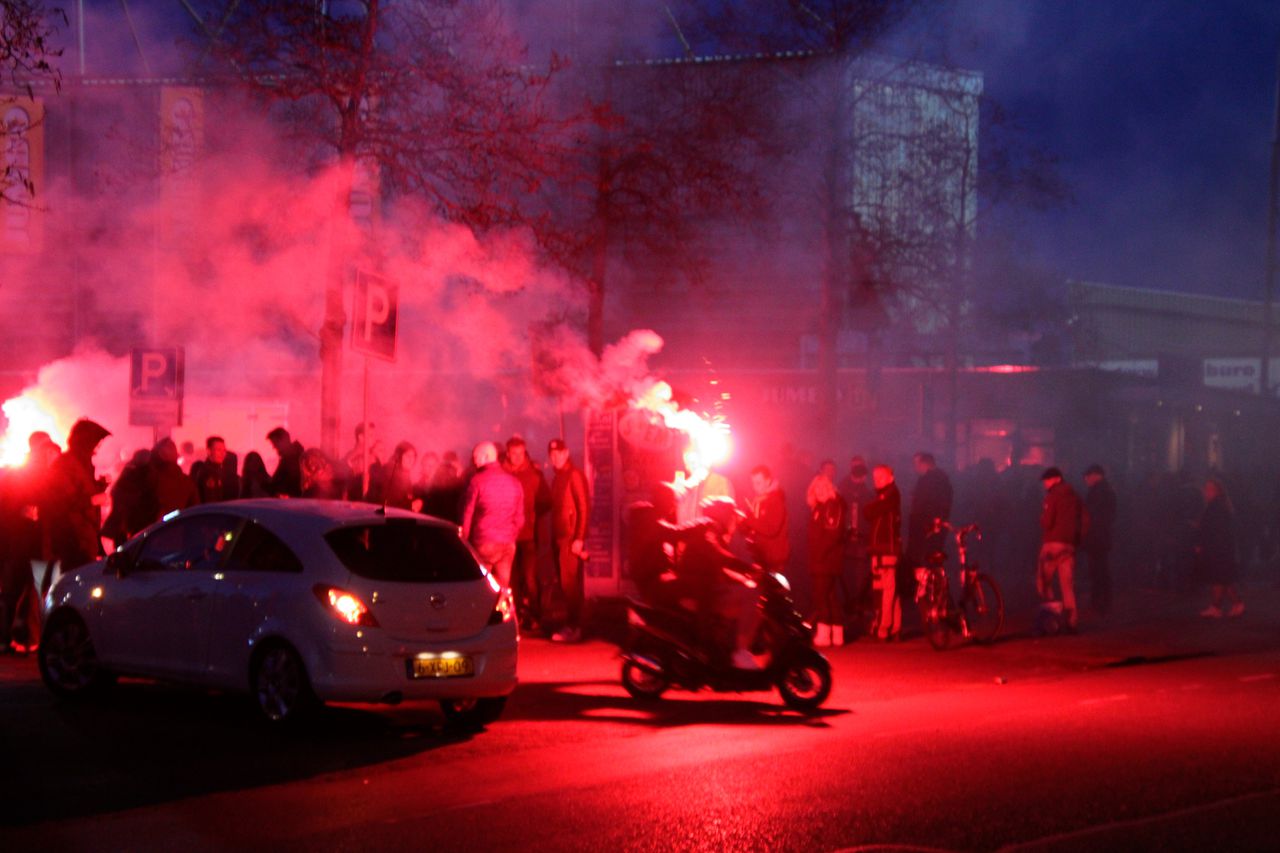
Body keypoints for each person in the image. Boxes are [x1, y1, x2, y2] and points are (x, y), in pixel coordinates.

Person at [679, 496, 763, 670]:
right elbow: (719, 556)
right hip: (701, 590)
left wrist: (742, 576)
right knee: (751, 594)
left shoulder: (710, 529)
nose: (733, 519)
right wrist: (747, 568)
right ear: (722, 514)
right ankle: (740, 652)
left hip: (705, 586)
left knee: (752, 601)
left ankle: (733, 647)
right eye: (731, 515)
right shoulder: (708, 530)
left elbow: (717, 563)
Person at [43, 419, 111, 592]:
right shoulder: (65, 465)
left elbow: (82, 490)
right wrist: (92, 500)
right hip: (72, 535)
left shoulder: (82, 463)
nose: (97, 447)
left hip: (84, 534)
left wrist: (99, 486)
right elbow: (63, 500)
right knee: (73, 581)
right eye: (95, 442)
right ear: (85, 441)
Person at [459, 441, 525, 591]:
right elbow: (520, 518)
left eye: (476, 456)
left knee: (483, 589)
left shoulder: (476, 481)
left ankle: (484, 614)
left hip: (484, 543)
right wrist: (511, 534)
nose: (474, 460)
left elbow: (468, 514)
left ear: (486, 456)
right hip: (507, 544)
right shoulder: (514, 482)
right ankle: (501, 614)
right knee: (502, 588)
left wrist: (465, 542)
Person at [503, 436, 551, 634]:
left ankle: (536, 616)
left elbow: (546, 501)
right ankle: (517, 617)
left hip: (529, 536)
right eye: (513, 453)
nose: (516, 457)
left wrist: (532, 517)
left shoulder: (534, 475)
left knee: (530, 578)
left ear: (525, 453)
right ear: (508, 453)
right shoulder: (501, 474)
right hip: (508, 536)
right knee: (511, 580)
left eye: (520, 453)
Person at [548, 438, 590, 643]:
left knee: (570, 586)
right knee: (566, 587)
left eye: (559, 453)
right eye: (552, 454)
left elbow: (583, 507)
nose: (555, 457)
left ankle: (574, 628)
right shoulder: (558, 477)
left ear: (567, 453)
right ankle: (574, 626)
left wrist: (579, 538)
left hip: (570, 539)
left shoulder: (574, 475)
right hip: (559, 539)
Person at [1038, 466, 1085, 633]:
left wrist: (1042, 519)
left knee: (1044, 582)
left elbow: (1047, 522)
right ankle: (1072, 622)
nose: (1045, 484)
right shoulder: (1076, 496)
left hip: (1052, 544)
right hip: (1069, 545)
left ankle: (1051, 620)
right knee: (1067, 585)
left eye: (1047, 480)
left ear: (1057, 479)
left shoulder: (1052, 497)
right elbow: (1085, 520)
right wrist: (1077, 540)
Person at [806, 467, 849, 647]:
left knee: (821, 596)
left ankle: (825, 633)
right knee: (830, 596)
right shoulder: (821, 508)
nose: (820, 491)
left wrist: (819, 554)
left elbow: (833, 534)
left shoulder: (833, 505)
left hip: (826, 560)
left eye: (823, 488)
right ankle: (836, 634)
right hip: (823, 559)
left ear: (830, 488)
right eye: (817, 488)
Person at [863, 464, 903, 641]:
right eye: (875, 477)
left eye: (881, 477)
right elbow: (869, 511)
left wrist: (873, 506)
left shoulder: (891, 495)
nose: (876, 480)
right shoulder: (882, 496)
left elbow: (870, 511)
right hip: (879, 548)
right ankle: (894, 626)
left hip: (887, 548)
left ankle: (884, 627)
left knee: (887, 588)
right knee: (885, 588)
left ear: (891, 478)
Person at [1196, 478, 1244, 618]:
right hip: (1221, 547)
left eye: (1209, 489)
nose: (1205, 491)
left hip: (1218, 548)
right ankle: (1237, 603)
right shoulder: (1218, 505)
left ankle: (1217, 607)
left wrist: (1203, 544)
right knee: (1224, 578)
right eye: (1205, 488)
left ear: (1216, 490)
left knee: (1218, 578)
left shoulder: (1216, 507)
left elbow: (1214, 529)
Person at [1081, 463, 1117, 616]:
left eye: (1087, 477)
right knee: (1101, 569)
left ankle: (1099, 602)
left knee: (1097, 570)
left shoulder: (1098, 492)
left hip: (1096, 536)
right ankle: (1103, 601)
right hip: (1102, 535)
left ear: (1095, 475)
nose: (1085, 481)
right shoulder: (1107, 490)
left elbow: (1092, 515)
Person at [743, 464, 789, 576]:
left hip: (774, 559)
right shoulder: (757, 500)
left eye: (758, 483)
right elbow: (751, 529)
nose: (754, 487)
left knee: (774, 592)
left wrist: (748, 519)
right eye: (752, 483)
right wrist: (741, 520)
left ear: (768, 481)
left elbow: (771, 529)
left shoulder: (775, 501)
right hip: (760, 557)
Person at [190, 436, 240, 504]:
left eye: (224, 450)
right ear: (209, 451)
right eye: (218, 450)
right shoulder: (208, 473)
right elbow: (211, 501)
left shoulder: (219, 472)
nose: (222, 454)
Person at [342, 422, 385, 502]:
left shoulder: (366, 455)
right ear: (361, 437)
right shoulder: (362, 457)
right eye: (371, 435)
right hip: (361, 499)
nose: (374, 439)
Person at [382, 441, 423, 511]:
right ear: (399, 456)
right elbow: (388, 505)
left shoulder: (405, 475)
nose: (411, 460)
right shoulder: (390, 473)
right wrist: (410, 506)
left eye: (413, 456)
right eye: (408, 456)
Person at [266, 427, 304, 498]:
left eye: (275, 443)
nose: (274, 447)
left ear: (284, 440)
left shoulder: (291, 459)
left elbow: (289, 484)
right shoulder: (294, 457)